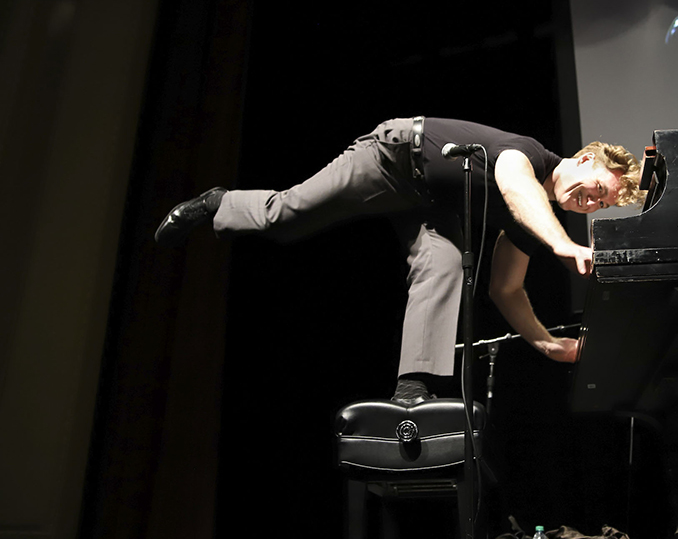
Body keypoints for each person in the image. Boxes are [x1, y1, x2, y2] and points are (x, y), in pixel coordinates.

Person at [155, 116, 642, 404]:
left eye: (600, 204)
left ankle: (412, 387)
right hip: (392, 158)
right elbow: (514, 185)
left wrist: (547, 344)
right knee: (286, 216)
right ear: (582, 159)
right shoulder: (528, 157)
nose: (591, 202)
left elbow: (506, 289)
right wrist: (564, 245)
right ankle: (218, 202)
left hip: (430, 204)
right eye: (598, 188)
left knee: (445, 267)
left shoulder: (530, 221)